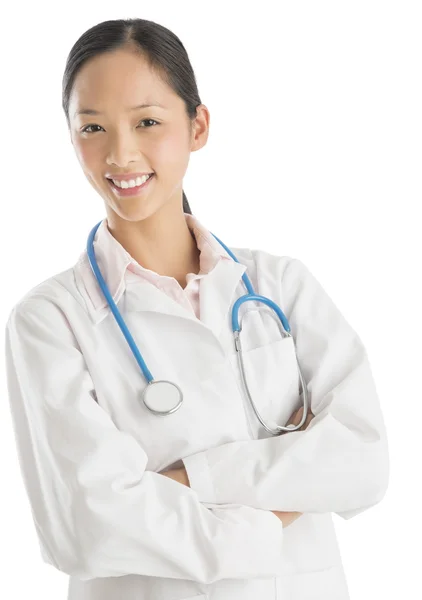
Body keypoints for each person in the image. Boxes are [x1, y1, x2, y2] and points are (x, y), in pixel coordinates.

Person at [4, 17, 389, 600]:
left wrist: (189, 481)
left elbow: (362, 460)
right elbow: (83, 528)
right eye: (92, 128)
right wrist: (289, 501)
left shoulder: (280, 286)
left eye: (148, 122)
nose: (120, 154)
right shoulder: (50, 319)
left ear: (198, 126)